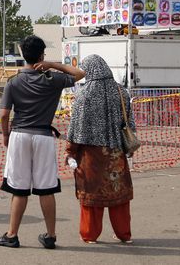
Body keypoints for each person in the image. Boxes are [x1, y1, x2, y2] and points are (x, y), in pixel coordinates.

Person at [0, 35, 85, 249]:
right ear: (42, 55)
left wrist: (6, 135)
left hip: (19, 136)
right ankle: (51, 236)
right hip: (43, 136)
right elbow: (80, 73)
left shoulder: (13, 82)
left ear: (23, 55)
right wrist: (52, 65)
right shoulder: (53, 79)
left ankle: (12, 234)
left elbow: (4, 114)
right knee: (46, 188)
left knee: (19, 188)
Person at [65, 54, 135, 244]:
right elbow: (129, 121)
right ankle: (124, 234)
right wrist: (129, 148)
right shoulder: (121, 92)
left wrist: (70, 151)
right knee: (118, 196)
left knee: (92, 197)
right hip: (116, 153)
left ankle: (90, 235)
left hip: (91, 155)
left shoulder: (83, 94)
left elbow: (76, 128)